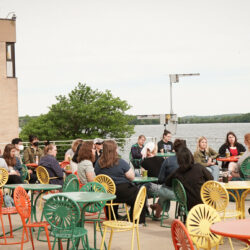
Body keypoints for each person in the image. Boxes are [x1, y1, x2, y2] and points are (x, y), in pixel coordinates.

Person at [95, 140, 146, 223]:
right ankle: (137, 219)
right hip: (121, 192)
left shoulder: (98, 163)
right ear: (114, 150)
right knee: (139, 194)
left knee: (112, 189)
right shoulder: (120, 162)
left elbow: (97, 174)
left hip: (105, 193)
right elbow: (132, 177)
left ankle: (112, 216)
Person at [150, 139, 186, 218]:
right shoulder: (188, 161)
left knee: (162, 190)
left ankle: (157, 211)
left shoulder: (168, 160)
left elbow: (160, 179)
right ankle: (181, 213)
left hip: (168, 192)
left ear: (174, 149)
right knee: (166, 190)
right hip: (182, 194)